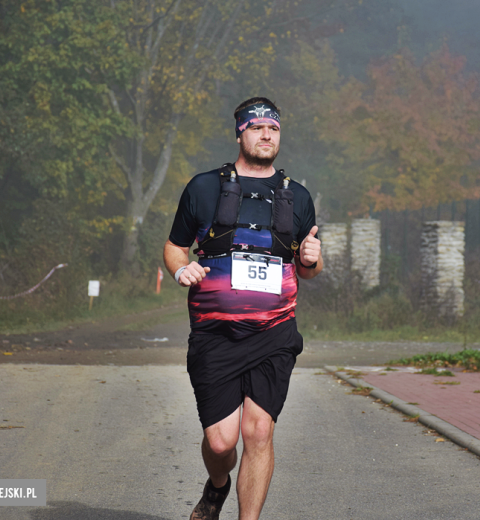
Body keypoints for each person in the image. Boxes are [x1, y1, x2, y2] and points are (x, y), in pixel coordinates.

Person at [163, 97, 323, 520]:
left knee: (258, 432)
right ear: (240, 132)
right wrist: (182, 271)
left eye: (273, 128)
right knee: (221, 442)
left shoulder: (298, 197)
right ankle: (217, 487)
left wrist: (310, 258)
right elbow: (175, 247)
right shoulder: (203, 187)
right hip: (215, 333)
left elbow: (309, 269)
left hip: (274, 332)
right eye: (257, 128)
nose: (266, 135)